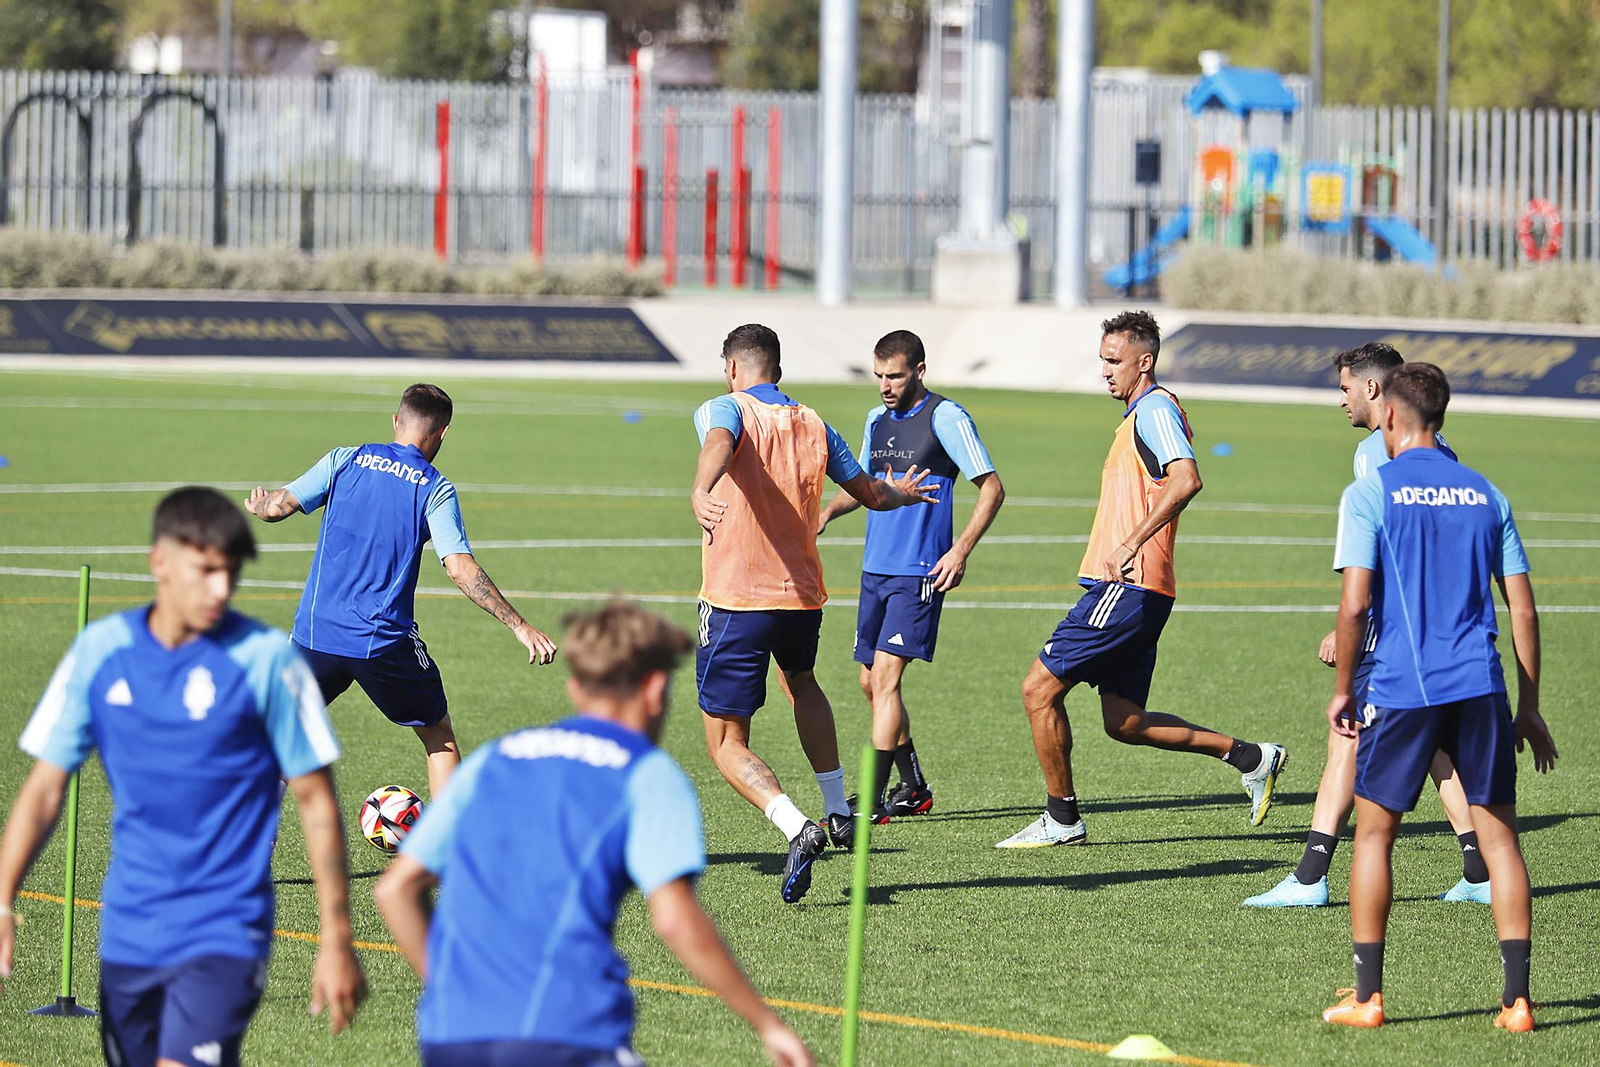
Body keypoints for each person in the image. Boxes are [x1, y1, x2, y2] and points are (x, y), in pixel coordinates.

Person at [0, 487, 365, 1067]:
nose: (222, 590)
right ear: (160, 563)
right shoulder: (101, 652)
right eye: (207, 572)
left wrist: (336, 935)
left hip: (227, 927)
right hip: (129, 929)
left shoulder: (269, 661)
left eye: (232, 574)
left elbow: (317, 803)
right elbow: (45, 788)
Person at [374, 600, 813, 1067]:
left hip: (450, 1036)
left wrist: (449, 987)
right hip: (566, 1035)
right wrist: (767, 1024)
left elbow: (396, 889)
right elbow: (674, 919)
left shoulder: (493, 759)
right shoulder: (646, 774)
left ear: (576, 689)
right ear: (656, 689)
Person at [1318, 363, 1557, 1031]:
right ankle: (1517, 1001)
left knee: (1374, 835)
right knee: (1502, 840)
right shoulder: (1487, 493)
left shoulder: (1373, 490)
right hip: (1481, 684)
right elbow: (1525, 611)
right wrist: (1529, 704)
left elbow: (1355, 599)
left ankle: (1368, 996)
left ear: (1390, 415)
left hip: (1401, 684)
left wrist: (1343, 688)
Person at [997, 311, 1286, 849]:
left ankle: (1062, 819)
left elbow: (1187, 478)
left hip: (1127, 586)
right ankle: (1250, 757)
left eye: (1114, 361)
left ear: (1144, 361)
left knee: (1038, 689)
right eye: (1101, 360)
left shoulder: (1153, 410)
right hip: (1140, 590)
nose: (1104, 371)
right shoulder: (1141, 413)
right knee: (1125, 722)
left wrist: (1130, 541)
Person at [692, 324, 936, 903]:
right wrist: (900, 491)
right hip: (801, 595)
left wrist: (700, 489)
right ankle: (837, 809)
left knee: (725, 743)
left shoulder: (724, 407)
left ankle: (796, 826)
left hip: (737, 599)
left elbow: (719, 442)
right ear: (777, 368)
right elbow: (872, 495)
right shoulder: (815, 423)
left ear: (733, 367)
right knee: (802, 682)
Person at [1247, 342, 1493, 908]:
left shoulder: (1372, 452)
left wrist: (1351, 627)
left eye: (1345, 388)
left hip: (1392, 627)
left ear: (1375, 391)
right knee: (1437, 750)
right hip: (1445, 627)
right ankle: (1480, 869)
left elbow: (1383, 546)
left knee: (1345, 737)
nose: (1342, 400)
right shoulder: (1446, 453)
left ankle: (1310, 877)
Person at [246, 383, 558, 799]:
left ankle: (251, 849)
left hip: (315, 634)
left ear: (396, 421)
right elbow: (460, 569)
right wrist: (518, 625)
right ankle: (444, 852)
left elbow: (280, 506)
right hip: (381, 644)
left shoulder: (345, 459)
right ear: (442, 433)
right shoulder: (434, 488)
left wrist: (262, 505)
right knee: (438, 735)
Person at [816, 329, 1005, 822]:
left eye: (895, 376)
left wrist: (959, 550)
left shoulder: (946, 417)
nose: (884, 385)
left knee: (885, 678)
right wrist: (823, 515)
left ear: (919, 371)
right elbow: (865, 485)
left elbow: (992, 488)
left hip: (918, 569)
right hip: (874, 568)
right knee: (868, 683)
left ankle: (872, 802)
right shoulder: (876, 419)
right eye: (878, 375)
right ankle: (914, 786)